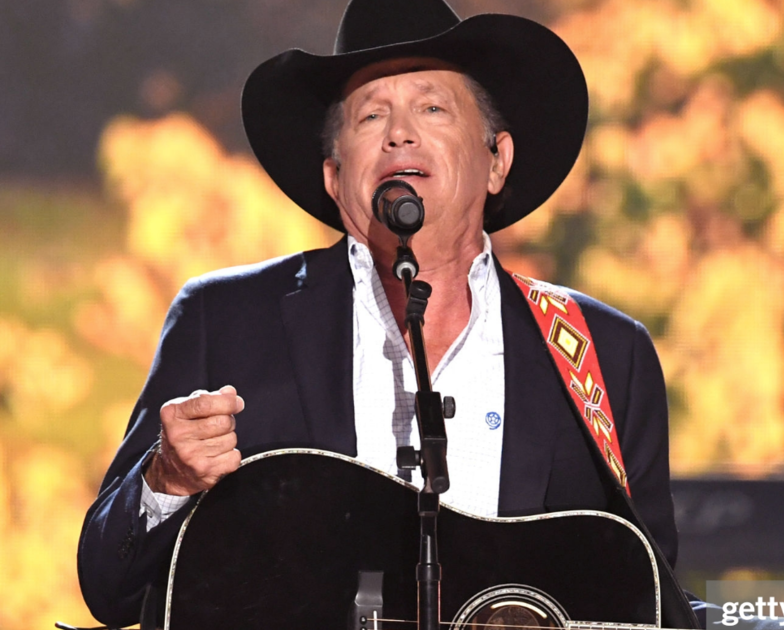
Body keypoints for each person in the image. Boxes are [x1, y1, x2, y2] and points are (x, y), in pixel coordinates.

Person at [75, 0, 696, 627]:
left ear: (497, 161)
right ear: (334, 177)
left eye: (431, 107)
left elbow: (647, 604)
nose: (399, 132)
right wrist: (166, 483)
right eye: (372, 115)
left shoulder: (604, 355)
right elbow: (108, 587)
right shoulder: (227, 320)